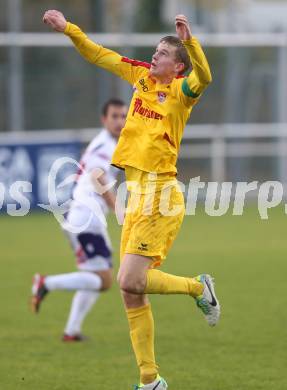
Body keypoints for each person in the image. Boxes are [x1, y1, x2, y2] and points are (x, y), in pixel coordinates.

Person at [43, 10, 221, 388]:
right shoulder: (140, 77)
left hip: (161, 193)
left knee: (129, 278)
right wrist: (68, 29)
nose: (154, 56)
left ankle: (197, 286)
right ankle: (150, 379)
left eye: (162, 54)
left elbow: (205, 76)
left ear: (177, 68)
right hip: (136, 194)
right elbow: (98, 54)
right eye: (155, 51)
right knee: (129, 290)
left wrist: (190, 41)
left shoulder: (181, 92)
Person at [31, 98, 128, 341]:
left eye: (123, 116)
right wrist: (119, 209)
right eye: (114, 116)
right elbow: (98, 177)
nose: (119, 121)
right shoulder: (104, 146)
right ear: (104, 120)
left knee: (95, 276)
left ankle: (71, 331)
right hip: (87, 219)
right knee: (104, 280)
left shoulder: (107, 143)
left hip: (83, 216)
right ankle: (46, 283)